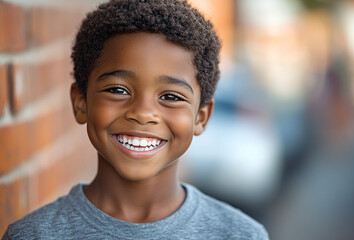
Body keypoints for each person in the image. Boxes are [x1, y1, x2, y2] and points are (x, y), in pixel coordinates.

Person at [2, 0, 268, 239]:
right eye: (118, 90)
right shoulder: (34, 235)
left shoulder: (240, 234)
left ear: (201, 117)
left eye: (171, 97)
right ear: (81, 102)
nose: (142, 113)